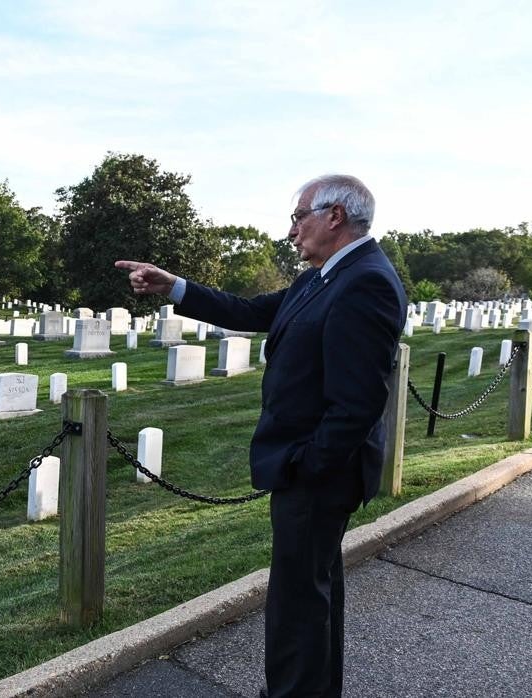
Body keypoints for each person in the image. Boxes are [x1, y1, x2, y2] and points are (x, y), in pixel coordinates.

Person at [116, 174, 406, 697]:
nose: (292, 230)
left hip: (318, 472)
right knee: (313, 594)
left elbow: (359, 401)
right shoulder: (322, 276)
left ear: (334, 216)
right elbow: (252, 312)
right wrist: (174, 286)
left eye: (299, 217)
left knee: (295, 605)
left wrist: (307, 464)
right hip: (309, 466)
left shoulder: (365, 281)